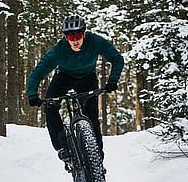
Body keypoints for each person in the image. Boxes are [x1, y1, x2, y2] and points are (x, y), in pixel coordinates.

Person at [26, 15, 124, 170]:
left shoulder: (95, 41)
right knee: (50, 106)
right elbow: (37, 73)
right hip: (64, 77)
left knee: (91, 116)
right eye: (71, 36)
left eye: (78, 35)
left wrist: (112, 80)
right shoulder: (59, 50)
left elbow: (117, 59)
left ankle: (97, 159)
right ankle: (63, 148)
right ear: (66, 37)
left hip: (87, 78)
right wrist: (32, 94)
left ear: (84, 34)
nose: (75, 40)